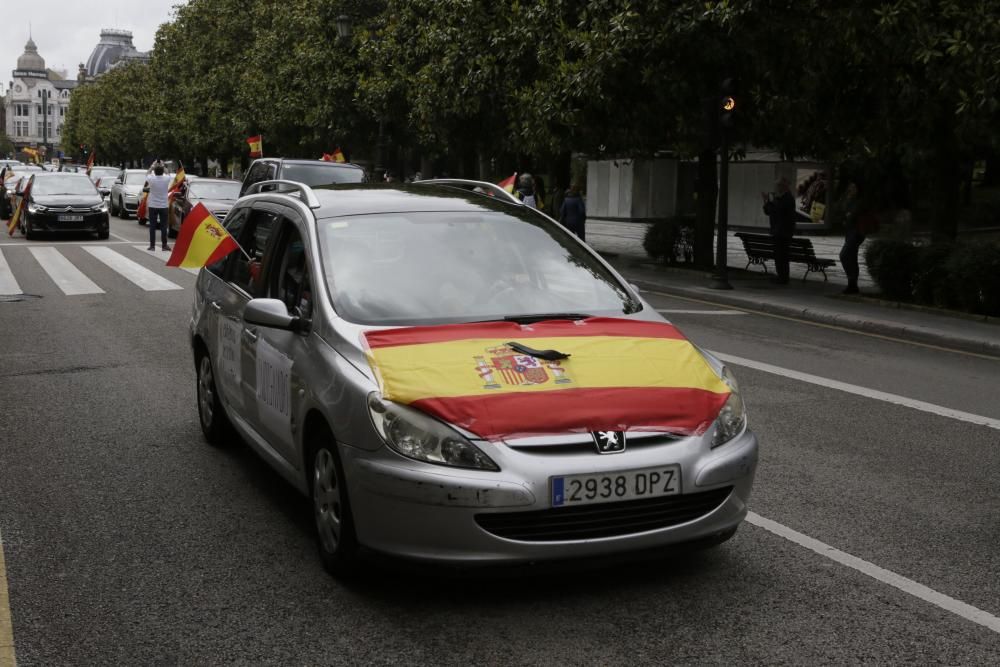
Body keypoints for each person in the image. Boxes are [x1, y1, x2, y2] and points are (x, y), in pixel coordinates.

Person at [762, 176, 796, 284]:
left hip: (783, 232)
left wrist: (771, 201)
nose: (777, 188)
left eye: (779, 185)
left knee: (782, 256)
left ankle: (783, 277)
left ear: (784, 186)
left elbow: (777, 210)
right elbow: (768, 211)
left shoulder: (788, 198)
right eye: (777, 185)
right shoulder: (779, 198)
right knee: (778, 255)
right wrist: (766, 201)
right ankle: (780, 275)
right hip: (777, 231)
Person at [837, 182, 866, 294]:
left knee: (844, 255)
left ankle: (852, 281)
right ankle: (852, 285)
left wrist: (848, 215)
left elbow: (852, 215)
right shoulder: (846, 199)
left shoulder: (860, 201)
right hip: (849, 231)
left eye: (854, 187)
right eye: (850, 187)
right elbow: (839, 211)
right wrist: (845, 200)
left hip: (857, 232)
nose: (851, 189)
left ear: (858, 189)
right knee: (852, 257)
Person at [144, 160, 173, 251]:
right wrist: (163, 165)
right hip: (164, 205)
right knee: (163, 227)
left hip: (153, 205)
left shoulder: (151, 179)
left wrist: (152, 166)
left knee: (152, 226)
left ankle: (152, 246)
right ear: (162, 171)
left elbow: (147, 173)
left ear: (155, 172)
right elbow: (168, 172)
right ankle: (164, 245)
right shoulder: (166, 179)